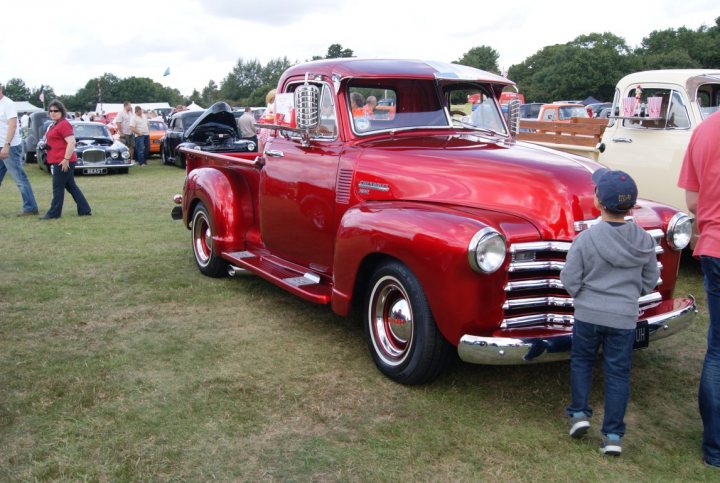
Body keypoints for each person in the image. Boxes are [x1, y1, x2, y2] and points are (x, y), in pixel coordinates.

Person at [560, 168, 659, 457]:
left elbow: (569, 279)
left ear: (598, 201)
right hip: (623, 318)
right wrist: (628, 296)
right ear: (632, 205)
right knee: (618, 373)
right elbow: (650, 280)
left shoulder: (586, 239)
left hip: (588, 314)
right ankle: (613, 434)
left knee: (582, 362)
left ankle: (579, 414)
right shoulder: (644, 241)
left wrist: (583, 296)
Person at [678, 109, 720, 470]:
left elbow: (692, 202)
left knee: (718, 350)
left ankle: (715, 449)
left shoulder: (706, 129)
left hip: (714, 244)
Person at [42, 99, 91, 219]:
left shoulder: (64, 124)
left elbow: (71, 142)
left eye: (56, 110)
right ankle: (85, 209)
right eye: (51, 111)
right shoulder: (54, 125)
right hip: (58, 159)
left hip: (63, 161)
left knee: (57, 187)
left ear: (62, 111)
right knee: (71, 186)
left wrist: (66, 159)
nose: (53, 112)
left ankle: (54, 213)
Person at [0, 82, 39, 216]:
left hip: (10, 147)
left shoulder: (8, 103)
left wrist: (6, 145)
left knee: (19, 178)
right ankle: (30, 206)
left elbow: (12, 125)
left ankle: (30, 207)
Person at [257, 89, 276, 154]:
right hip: (265, 147)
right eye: (271, 101)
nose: (273, 103)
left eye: (275, 100)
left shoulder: (285, 114)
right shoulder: (265, 115)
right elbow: (260, 137)